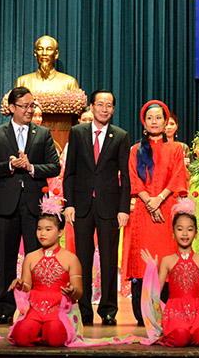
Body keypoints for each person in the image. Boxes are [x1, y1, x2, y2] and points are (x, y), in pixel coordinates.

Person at [0, 86, 61, 325]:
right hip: (4, 206)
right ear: (12, 108)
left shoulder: (43, 133)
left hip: (33, 206)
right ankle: (5, 309)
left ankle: (37, 308)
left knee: (35, 259)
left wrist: (30, 167)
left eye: (31, 106)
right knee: (6, 260)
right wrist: (9, 166)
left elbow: (54, 166)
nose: (29, 110)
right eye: (25, 106)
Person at [63, 89, 131, 326]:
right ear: (91, 107)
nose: (104, 109)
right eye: (100, 104)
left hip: (109, 206)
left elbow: (126, 176)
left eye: (109, 105)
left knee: (109, 259)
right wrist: (69, 203)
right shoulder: (77, 132)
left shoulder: (120, 136)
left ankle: (108, 309)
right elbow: (70, 172)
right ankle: (83, 309)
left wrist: (124, 208)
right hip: (81, 205)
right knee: (82, 258)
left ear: (113, 109)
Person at [125, 100, 188, 326]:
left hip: (167, 209)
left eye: (159, 118)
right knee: (143, 260)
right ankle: (142, 311)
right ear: (144, 123)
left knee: (167, 257)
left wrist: (159, 200)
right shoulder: (135, 150)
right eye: (150, 118)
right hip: (143, 212)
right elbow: (133, 179)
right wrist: (149, 202)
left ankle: (167, 308)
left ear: (165, 122)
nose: (154, 121)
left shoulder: (176, 149)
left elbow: (178, 176)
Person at [140, 199, 199, 347]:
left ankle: (193, 334)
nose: (185, 233)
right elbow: (155, 292)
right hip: (175, 311)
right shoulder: (167, 261)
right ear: (173, 233)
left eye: (190, 229)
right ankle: (184, 334)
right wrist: (152, 270)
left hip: (198, 311)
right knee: (180, 336)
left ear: (196, 233)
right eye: (180, 229)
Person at [8, 197, 83, 347]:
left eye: (48, 229)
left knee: (55, 337)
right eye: (39, 229)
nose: (42, 233)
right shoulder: (31, 257)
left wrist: (72, 291)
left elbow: (78, 293)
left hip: (59, 308)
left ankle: (45, 330)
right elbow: (27, 287)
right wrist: (20, 285)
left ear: (60, 232)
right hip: (34, 308)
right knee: (21, 337)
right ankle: (39, 329)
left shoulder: (71, 259)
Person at [15, 35, 80, 93]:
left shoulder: (69, 82)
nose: (44, 53)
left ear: (56, 54)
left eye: (49, 49)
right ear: (35, 54)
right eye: (40, 49)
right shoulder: (23, 82)